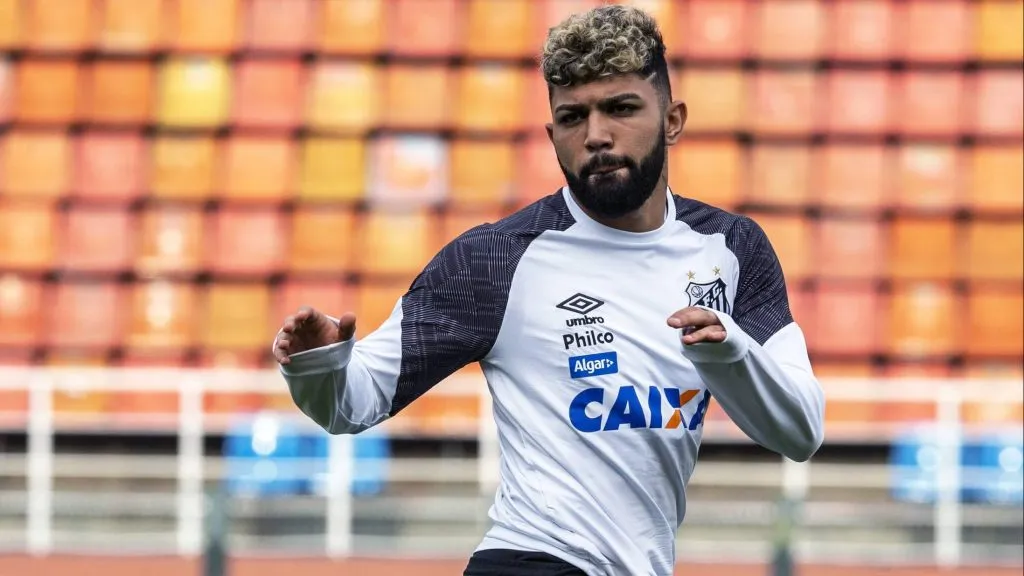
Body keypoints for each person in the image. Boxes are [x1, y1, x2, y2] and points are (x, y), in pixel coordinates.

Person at [272, 4, 825, 576]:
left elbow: (801, 431)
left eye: (621, 109)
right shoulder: (496, 259)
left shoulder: (731, 249)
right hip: (532, 559)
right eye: (572, 117)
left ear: (673, 120)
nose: (597, 136)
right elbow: (354, 402)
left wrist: (730, 353)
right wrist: (321, 366)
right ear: (550, 133)